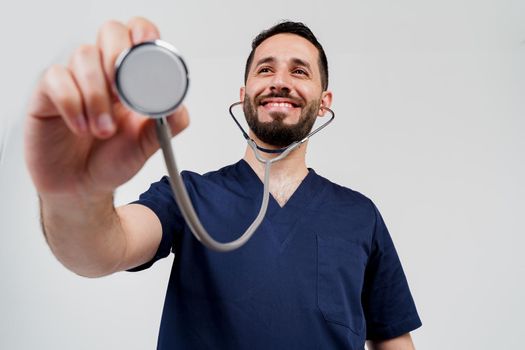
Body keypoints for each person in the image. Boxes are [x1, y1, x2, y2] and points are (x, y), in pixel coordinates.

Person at [25, 17, 422, 349]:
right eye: (265, 69)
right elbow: (99, 251)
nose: (279, 81)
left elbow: (393, 340)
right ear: (244, 94)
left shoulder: (360, 215)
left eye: (299, 71)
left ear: (324, 102)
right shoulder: (188, 196)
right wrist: (74, 198)